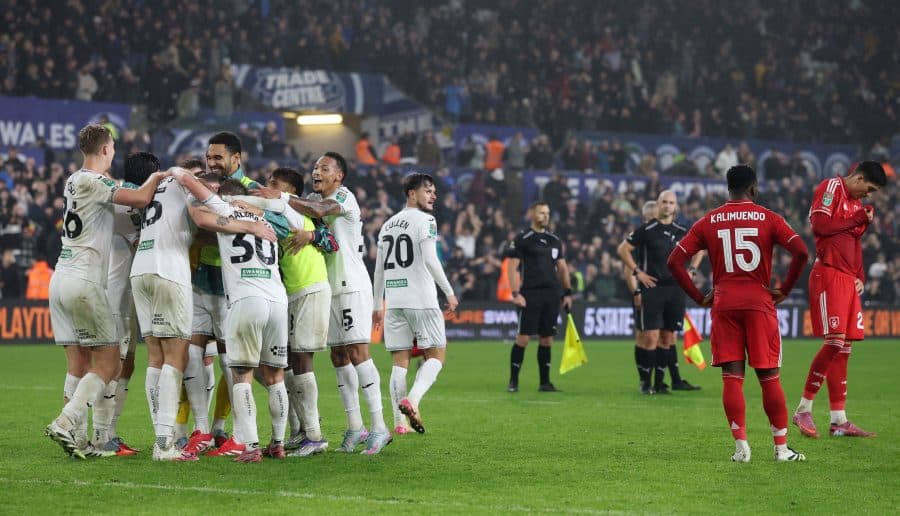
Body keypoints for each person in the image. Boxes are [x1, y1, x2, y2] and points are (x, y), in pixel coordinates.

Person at [667, 164, 810, 462]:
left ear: (728, 189)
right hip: (759, 303)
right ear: (753, 189)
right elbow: (801, 252)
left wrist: (699, 297)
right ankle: (781, 449)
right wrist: (784, 289)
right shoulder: (769, 218)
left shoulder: (709, 220)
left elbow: (674, 261)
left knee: (732, 378)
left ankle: (741, 448)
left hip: (725, 304)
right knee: (769, 378)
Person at [45, 124, 169, 459]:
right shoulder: (96, 182)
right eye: (112, 146)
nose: (114, 152)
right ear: (104, 149)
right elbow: (140, 198)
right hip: (85, 281)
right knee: (111, 363)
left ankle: (79, 440)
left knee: (79, 364)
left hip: (61, 277)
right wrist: (159, 177)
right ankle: (66, 421)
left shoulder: (73, 179)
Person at [255, 152, 391, 454]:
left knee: (358, 353)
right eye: (315, 167)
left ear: (338, 175)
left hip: (352, 285)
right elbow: (314, 222)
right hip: (327, 286)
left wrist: (281, 197)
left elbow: (318, 210)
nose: (317, 172)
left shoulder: (343, 197)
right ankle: (355, 426)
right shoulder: (312, 201)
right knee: (338, 357)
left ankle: (380, 426)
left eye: (324, 168)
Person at [231, 167, 337, 457]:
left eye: (273, 184)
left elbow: (332, 241)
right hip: (290, 292)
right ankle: (301, 428)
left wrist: (312, 234)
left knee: (302, 360)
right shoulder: (286, 213)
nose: (267, 187)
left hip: (310, 287)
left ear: (289, 191)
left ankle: (314, 435)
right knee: (283, 363)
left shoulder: (290, 209)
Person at [186, 178, 286, 462]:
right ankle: (278, 444)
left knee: (241, 374)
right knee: (275, 377)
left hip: (247, 300)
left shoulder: (225, 213)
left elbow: (200, 218)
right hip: (278, 300)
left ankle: (251, 447)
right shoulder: (264, 218)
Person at [792, 161, 887, 438]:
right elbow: (821, 226)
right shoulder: (830, 187)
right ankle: (803, 409)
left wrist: (860, 276)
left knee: (844, 348)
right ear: (858, 178)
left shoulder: (856, 204)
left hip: (848, 279)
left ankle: (838, 420)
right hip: (828, 274)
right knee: (834, 342)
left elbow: (853, 242)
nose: (868, 194)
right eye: (869, 188)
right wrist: (858, 220)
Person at [372, 173, 458, 434]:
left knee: (399, 363)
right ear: (412, 193)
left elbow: (379, 270)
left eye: (434, 192)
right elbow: (431, 259)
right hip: (421, 299)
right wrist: (449, 292)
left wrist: (377, 304)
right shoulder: (426, 220)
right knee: (437, 356)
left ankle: (400, 424)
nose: (434, 196)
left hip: (394, 301)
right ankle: (413, 400)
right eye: (428, 191)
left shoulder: (387, 225)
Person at [95, 151, 158, 457]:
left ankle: (110, 431)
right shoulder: (126, 202)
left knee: (127, 364)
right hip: (115, 297)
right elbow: (142, 240)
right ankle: (101, 435)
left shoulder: (128, 198)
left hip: (128, 296)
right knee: (113, 364)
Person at [617, 190, 702, 394]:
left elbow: (700, 248)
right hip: (653, 289)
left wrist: (692, 270)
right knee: (650, 337)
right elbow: (622, 249)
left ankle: (660, 383)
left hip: (675, 290)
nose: (667, 206)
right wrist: (638, 273)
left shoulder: (683, 230)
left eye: (671, 203)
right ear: (658, 204)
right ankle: (645, 383)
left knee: (667, 338)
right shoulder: (647, 229)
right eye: (664, 202)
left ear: (676, 207)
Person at [506, 201, 573, 393]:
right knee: (523, 338)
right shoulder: (522, 238)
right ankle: (513, 381)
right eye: (542, 213)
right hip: (530, 294)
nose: (545, 216)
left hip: (551, 294)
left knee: (547, 339)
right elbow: (512, 267)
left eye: (547, 213)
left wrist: (567, 292)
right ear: (532, 214)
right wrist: (516, 293)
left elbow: (562, 268)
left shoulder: (554, 240)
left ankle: (545, 382)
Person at [622, 200, 657, 387]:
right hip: (643, 292)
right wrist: (636, 292)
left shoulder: (656, 236)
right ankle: (644, 378)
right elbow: (628, 270)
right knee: (643, 336)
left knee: (652, 337)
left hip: (657, 293)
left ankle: (652, 380)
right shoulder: (641, 236)